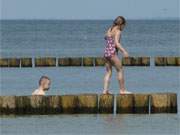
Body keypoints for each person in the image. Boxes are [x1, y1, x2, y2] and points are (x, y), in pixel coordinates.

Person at [103, 16, 131, 94]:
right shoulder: (118, 31)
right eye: (124, 25)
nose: (124, 27)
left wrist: (110, 36)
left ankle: (105, 90)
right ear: (121, 24)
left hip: (106, 53)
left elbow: (105, 37)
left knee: (108, 72)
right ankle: (122, 90)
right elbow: (116, 43)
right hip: (112, 53)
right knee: (120, 70)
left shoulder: (110, 29)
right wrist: (124, 51)